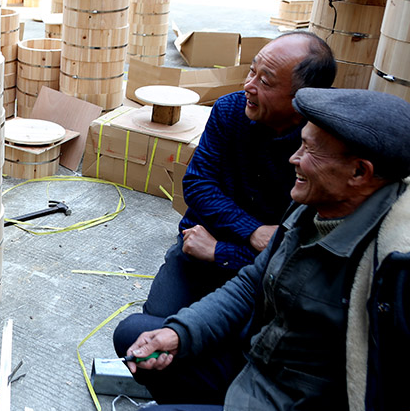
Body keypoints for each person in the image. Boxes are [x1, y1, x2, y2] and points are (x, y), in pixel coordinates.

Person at [122, 88, 410, 411]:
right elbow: (252, 284)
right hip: (262, 369)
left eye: (310, 151)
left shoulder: (397, 260)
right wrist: (180, 334)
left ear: (359, 172)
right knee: (138, 335)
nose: (294, 159)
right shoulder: (314, 206)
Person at [113, 32, 336, 357]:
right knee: (149, 334)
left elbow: (294, 255)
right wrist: (253, 231)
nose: (249, 85)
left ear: (301, 100)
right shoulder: (230, 110)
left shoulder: (321, 149)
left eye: (265, 81)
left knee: (245, 346)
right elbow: (198, 184)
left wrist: (220, 251)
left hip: (262, 270)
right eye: (252, 71)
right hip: (198, 245)